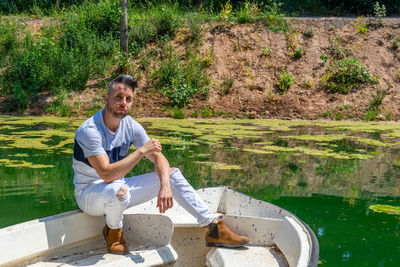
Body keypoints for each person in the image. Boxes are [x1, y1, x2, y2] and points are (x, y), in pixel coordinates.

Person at [72, 75, 249, 254]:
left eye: (128, 99)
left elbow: (160, 159)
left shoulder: (130, 125)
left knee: (171, 174)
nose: (123, 103)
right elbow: (107, 174)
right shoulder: (90, 130)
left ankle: (213, 228)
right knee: (119, 191)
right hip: (89, 195)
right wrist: (141, 151)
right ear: (106, 99)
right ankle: (113, 234)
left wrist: (165, 185)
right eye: (118, 97)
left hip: (118, 188)